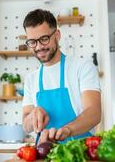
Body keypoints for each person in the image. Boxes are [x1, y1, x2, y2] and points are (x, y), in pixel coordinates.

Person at [22, 9, 101, 144]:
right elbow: (26, 125)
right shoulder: (31, 79)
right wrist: (33, 115)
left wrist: (67, 130)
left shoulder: (82, 67)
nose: (39, 47)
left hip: (80, 153)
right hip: (45, 155)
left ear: (57, 35)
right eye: (32, 42)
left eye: (44, 39)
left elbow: (94, 113)